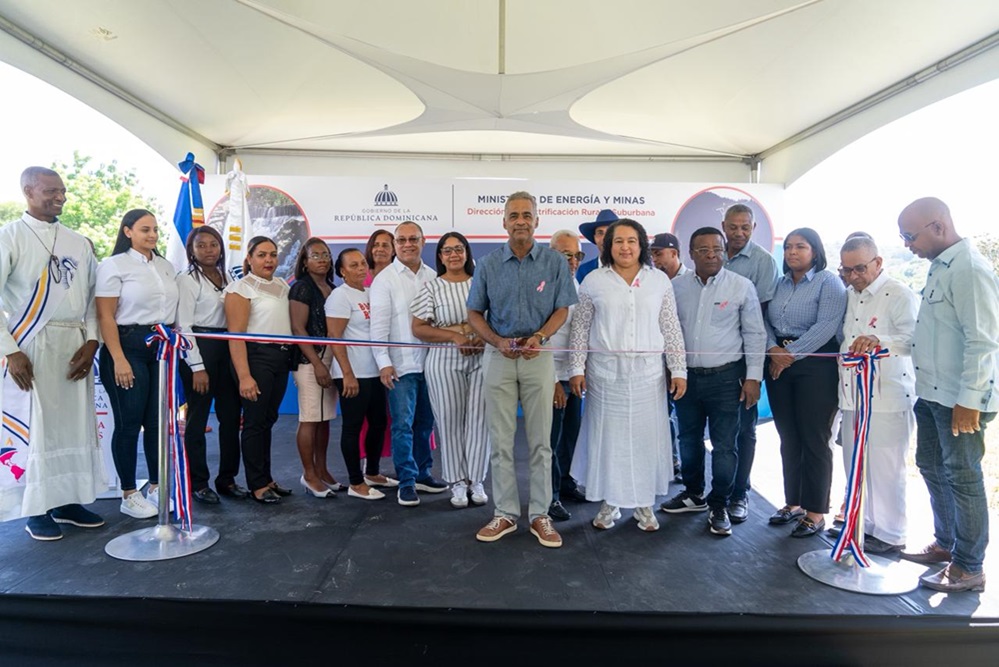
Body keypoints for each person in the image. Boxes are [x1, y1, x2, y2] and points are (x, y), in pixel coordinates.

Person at [896, 197, 999, 593]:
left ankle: (970, 567)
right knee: (932, 466)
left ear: (938, 227)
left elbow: (983, 341)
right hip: (932, 393)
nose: (907, 245)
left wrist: (969, 399)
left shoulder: (969, 269)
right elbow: (932, 334)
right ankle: (946, 543)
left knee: (963, 477)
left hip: (959, 400)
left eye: (910, 236)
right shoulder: (941, 267)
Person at [0, 166, 105, 540]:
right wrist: (11, 351)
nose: (60, 197)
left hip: (74, 343)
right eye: (50, 191)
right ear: (28, 191)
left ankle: (66, 500)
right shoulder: (9, 236)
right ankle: (37, 508)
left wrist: (92, 342)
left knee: (73, 425)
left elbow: (94, 297)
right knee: (40, 426)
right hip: (32, 345)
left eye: (62, 191)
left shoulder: (77, 242)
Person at [467, 191, 577, 548]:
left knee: (541, 443)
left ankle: (540, 514)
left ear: (536, 220)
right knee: (500, 440)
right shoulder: (488, 264)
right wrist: (496, 341)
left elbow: (562, 308)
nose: (520, 221)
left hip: (537, 355)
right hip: (498, 356)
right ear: (504, 222)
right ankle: (505, 513)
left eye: (526, 215)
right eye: (514, 215)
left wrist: (540, 337)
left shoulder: (554, 262)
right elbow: (474, 313)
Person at [569, 219, 687, 533]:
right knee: (610, 440)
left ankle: (643, 504)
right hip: (605, 375)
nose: (625, 247)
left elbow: (671, 327)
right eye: (618, 241)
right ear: (609, 246)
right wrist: (576, 369)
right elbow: (580, 329)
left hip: (649, 376)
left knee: (645, 440)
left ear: (641, 245)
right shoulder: (593, 281)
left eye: (631, 240)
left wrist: (678, 370)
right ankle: (610, 502)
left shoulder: (658, 281)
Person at [662, 228, 765, 536]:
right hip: (686, 379)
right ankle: (693, 493)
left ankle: (719, 503)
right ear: (690, 254)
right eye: (703, 250)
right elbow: (667, 331)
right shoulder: (675, 288)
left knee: (724, 446)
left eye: (717, 249)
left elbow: (755, 334)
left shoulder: (741, 286)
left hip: (727, 378)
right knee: (688, 439)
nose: (711, 255)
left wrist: (753, 378)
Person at [830, 235, 917, 554]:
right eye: (846, 270)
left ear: (878, 263)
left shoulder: (899, 294)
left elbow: (913, 340)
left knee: (885, 470)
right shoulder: (849, 295)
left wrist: (878, 340)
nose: (853, 276)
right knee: (855, 465)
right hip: (852, 396)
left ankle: (891, 535)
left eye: (859, 269)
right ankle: (861, 526)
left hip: (886, 397)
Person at [96, 209, 180, 519]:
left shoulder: (166, 266)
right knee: (129, 423)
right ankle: (129, 494)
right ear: (128, 231)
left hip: (160, 347)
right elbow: (105, 316)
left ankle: (157, 487)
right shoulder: (114, 265)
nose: (153, 235)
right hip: (127, 346)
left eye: (155, 229)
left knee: (157, 422)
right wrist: (118, 359)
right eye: (145, 229)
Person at [764, 228, 847, 538]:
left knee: (815, 438)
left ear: (815, 251)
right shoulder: (780, 283)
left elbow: (827, 325)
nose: (792, 252)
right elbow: (764, 320)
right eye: (788, 247)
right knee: (789, 436)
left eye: (800, 246)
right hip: (778, 361)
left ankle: (815, 512)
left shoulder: (828, 282)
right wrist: (773, 349)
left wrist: (789, 355)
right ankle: (794, 503)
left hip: (816, 363)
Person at [370, 221, 448, 506]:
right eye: (401, 240)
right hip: (401, 367)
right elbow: (378, 327)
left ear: (423, 242)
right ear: (395, 244)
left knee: (425, 424)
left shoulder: (434, 276)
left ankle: (423, 474)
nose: (407, 245)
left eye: (413, 239)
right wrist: (383, 362)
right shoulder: (385, 280)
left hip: (433, 364)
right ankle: (406, 481)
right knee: (403, 426)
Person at [411, 232, 490, 509]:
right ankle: (457, 482)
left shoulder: (482, 283)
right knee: (450, 421)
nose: (454, 254)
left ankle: (476, 480)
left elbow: (496, 319)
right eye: (447, 250)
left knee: (480, 421)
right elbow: (419, 328)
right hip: (444, 361)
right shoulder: (432, 287)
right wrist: (455, 335)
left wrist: (483, 337)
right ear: (440, 257)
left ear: (467, 253)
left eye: (459, 249)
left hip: (482, 359)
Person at [720, 204, 780, 524]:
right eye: (733, 227)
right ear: (724, 226)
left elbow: (764, 315)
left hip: (748, 358)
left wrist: (755, 369)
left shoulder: (763, 261)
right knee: (721, 432)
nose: (739, 233)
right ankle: (717, 492)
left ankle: (740, 493)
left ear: (754, 228)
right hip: (717, 356)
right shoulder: (714, 253)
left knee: (745, 428)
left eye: (745, 227)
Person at [176, 226, 244, 504]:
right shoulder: (186, 280)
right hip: (200, 348)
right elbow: (183, 326)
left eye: (213, 244)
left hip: (227, 347)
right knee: (198, 419)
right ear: (191, 250)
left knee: (231, 417)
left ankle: (227, 479)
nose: (208, 250)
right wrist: (197, 367)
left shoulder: (229, 277)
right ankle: (199, 483)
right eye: (201, 245)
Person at [224, 236, 294, 505]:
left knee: (268, 420)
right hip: (255, 359)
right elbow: (236, 336)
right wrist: (244, 376)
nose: (269, 260)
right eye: (262, 255)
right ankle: (257, 484)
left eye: (273, 254)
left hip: (280, 358)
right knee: (254, 422)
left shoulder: (281, 284)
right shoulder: (240, 288)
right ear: (250, 258)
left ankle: (266, 478)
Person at [325, 248, 392, 501]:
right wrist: (347, 374)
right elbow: (335, 336)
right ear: (342, 271)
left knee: (379, 423)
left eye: (363, 263)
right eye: (353, 265)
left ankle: (372, 473)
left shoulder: (370, 292)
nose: (361, 268)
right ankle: (355, 482)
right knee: (352, 427)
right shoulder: (339, 296)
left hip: (374, 371)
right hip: (353, 373)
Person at [289, 238, 343, 498]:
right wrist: (318, 364)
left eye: (326, 255)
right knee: (310, 418)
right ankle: (309, 475)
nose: (322, 259)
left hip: (331, 357)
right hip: (310, 360)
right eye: (316, 255)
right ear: (305, 261)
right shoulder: (301, 287)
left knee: (324, 418)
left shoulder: (332, 287)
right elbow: (298, 329)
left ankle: (322, 470)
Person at [546, 229, 587, 522]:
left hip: (572, 374)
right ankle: (549, 497)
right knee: (549, 441)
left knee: (570, 435)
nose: (573, 261)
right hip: (549, 377)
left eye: (577, 255)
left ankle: (565, 483)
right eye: (566, 255)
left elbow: (579, 334)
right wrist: (551, 381)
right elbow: (540, 338)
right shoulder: (543, 287)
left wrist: (578, 372)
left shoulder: (577, 284)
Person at [650, 231, 686, 479]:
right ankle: (670, 459)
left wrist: (678, 366)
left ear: (674, 253)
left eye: (659, 254)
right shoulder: (651, 282)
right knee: (663, 414)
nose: (654, 260)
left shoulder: (692, 281)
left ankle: (687, 469)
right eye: (652, 254)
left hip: (686, 362)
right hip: (657, 362)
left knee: (687, 419)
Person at [576, 209, 618, 283]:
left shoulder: (633, 269)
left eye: (610, 232)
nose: (604, 238)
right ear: (594, 238)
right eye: (600, 233)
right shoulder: (583, 271)